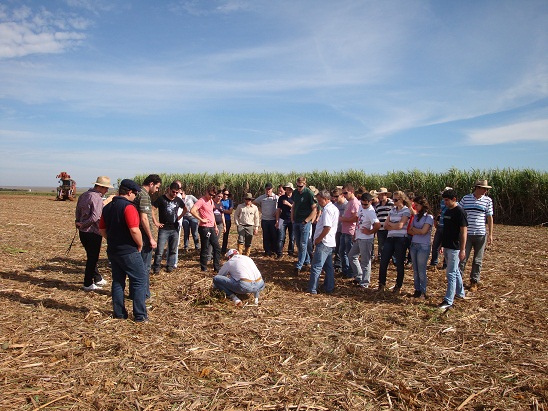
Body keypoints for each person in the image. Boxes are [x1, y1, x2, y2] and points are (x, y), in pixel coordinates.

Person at [98, 179, 148, 322]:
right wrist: (139, 244)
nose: (136, 196)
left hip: (113, 250)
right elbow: (134, 230)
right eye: (135, 193)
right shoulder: (129, 207)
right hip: (128, 251)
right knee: (139, 280)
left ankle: (119, 313)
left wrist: (112, 240)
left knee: (118, 281)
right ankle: (140, 315)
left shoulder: (107, 207)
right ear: (129, 192)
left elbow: (101, 229)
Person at [75, 176, 113, 291]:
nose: (107, 190)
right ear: (100, 187)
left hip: (83, 232)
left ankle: (97, 278)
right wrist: (84, 224)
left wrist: (78, 222)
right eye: (106, 188)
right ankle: (87, 283)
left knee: (91, 256)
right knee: (92, 258)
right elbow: (96, 217)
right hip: (92, 232)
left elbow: (77, 211)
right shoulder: (96, 197)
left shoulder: (84, 195)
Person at [459, 179, 494, 292]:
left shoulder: (487, 201)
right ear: (477, 188)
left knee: (478, 260)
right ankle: (458, 280)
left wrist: (490, 234)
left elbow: (489, 218)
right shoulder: (466, 198)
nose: (485, 191)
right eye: (484, 188)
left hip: (480, 234)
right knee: (463, 258)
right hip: (467, 234)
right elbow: (459, 212)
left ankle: (474, 281)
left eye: (486, 189)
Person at [438, 189, 468, 311]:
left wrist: (462, 249)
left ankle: (448, 300)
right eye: (444, 200)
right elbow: (445, 230)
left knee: (450, 273)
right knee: (455, 271)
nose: (445, 202)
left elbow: (463, 231)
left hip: (455, 248)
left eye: (447, 200)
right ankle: (460, 293)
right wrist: (442, 244)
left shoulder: (460, 212)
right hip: (447, 245)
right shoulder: (447, 211)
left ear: (454, 199)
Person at [377, 191, 412, 294]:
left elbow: (400, 226)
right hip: (390, 237)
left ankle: (398, 285)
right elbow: (385, 225)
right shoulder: (392, 210)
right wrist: (394, 225)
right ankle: (381, 284)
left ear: (401, 200)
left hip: (401, 239)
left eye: (396, 200)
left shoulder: (406, 211)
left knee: (399, 263)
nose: (394, 202)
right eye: (393, 199)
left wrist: (392, 225)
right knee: (384, 261)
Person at [133, 174, 162, 297]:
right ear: (151, 184)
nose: (157, 190)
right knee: (145, 266)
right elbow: (144, 218)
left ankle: (136, 292)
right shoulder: (144, 195)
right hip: (144, 236)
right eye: (157, 187)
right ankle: (143, 293)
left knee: (137, 266)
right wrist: (151, 237)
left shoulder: (137, 193)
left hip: (139, 234)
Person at [307, 190, 340, 294]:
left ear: (326, 199)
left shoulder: (327, 210)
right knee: (328, 267)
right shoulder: (334, 208)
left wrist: (318, 239)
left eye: (320, 200)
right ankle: (329, 287)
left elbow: (327, 227)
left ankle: (312, 289)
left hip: (324, 242)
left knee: (316, 266)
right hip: (330, 242)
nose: (319, 202)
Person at [151, 182, 186, 273]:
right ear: (169, 189)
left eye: (176, 192)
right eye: (173, 192)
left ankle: (169, 266)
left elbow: (185, 209)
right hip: (164, 229)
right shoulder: (161, 199)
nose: (174, 194)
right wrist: (156, 222)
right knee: (160, 250)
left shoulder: (178, 200)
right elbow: (152, 209)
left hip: (174, 228)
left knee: (173, 249)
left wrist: (180, 217)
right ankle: (156, 267)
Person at [348, 192, 380, 288]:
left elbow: (377, 225)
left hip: (366, 239)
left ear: (370, 202)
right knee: (351, 256)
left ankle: (365, 282)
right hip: (359, 237)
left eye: (366, 204)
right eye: (362, 203)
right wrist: (355, 233)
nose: (364, 205)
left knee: (365, 261)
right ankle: (359, 276)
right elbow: (358, 220)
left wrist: (370, 232)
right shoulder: (361, 208)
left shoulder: (371, 211)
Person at [407, 196, 434, 299]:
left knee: (421, 270)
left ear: (422, 205)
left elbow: (424, 231)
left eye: (417, 205)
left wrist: (416, 230)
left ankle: (423, 291)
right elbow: (409, 230)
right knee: (415, 270)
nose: (415, 207)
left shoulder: (429, 217)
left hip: (423, 246)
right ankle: (417, 289)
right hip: (414, 244)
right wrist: (418, 230)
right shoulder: (417, 216)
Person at [191, 185, 222, 272]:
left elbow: (212, 214)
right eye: (210, 194)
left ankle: (216, 267)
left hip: (211, 227)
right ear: (206, 192)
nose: (211, 196)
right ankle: (203, 267)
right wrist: (201, 219)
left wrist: (215, 226)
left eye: (213, 195)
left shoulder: (211, 201)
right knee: (205, 248)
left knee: (217, 248)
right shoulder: (201, 201)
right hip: (204, 228)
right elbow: (192, 210)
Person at [291, 176, 317, 275]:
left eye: (300, 186)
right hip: (296, 221)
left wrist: (307, 220)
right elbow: (294, 205)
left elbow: (314, 209)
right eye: (297, 186)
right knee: (298, 243)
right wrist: (292, 218)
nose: (299, 188)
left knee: (303, 244)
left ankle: (299, 265)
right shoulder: (295, 193)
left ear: (304, 185)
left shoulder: (309, 194)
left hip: (304, 222)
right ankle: (306, 261)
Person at [339, 185, 360, 278]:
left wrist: (343, 219)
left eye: (345, 193)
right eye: (343, 193)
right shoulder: (349, 202)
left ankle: (351, 273)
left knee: (349, 253)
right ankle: (346, 270)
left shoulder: (355, 203)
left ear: (351, 191)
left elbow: (356, 218)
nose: (344, 195)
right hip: (345, 230)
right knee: (342, 252)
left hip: (350, 231)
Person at [254, 183, 279, 257]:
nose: (268, 190)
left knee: (274, 236)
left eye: (269, 189)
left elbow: (280, 206)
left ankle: (274, 250)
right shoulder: (262, 197)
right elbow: (254, 203)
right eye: (267, 189)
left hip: (273, 220)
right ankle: (267, 251)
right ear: (265, 189)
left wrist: (277, 212)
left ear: (272, 189)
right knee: (266, 236)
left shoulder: (276, 197)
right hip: (264, 220)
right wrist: (259, 209)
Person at [430, 187, 452, 268]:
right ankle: (434, 263)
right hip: (441, 226)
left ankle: (445, 264)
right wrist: (436, 220)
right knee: (435, 245)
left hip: (448, 227)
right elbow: (440, 211)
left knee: (446, 246)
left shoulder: (455, 204)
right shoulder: (442, 202)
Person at [374, 188, 394, 261]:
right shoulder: (378, 205)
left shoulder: (392, 204)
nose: (381, 196)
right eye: (380, 195)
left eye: (383, 194)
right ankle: (383, 259)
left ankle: (393, 259)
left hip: (389, 228)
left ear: (386, 195)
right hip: (380, 229)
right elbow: (376, 216)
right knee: (381, 245)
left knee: (391, 244)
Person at [275, 182, 295, 258]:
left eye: (289, 189)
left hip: (292, 219)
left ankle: (291, 253)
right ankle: (279, 253)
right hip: (283, 219)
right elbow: (278, 209)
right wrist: (277, 221)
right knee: (281, 237)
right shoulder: (281, 198)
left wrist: (288, 204)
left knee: (292, 238)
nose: (288, 190)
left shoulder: (295, 198)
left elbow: (296, 209)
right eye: (286, 189)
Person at [331, 187, 347, 272]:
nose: (335, 198)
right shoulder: (334, 205)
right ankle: (338, 266)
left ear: (342, 195)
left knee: (343, 250)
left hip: (345, 230)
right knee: (337, 249)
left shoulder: (347, 205)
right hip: (337, 230)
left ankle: (345, 268)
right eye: (334, 196)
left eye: (336, 196)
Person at [220, 189, 234, 254]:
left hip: (227, 220)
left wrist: (222, 210)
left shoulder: (230, 201)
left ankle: (223, 250)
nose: (226, 195)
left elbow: (230, 212)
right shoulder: (219, 200)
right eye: (225, 194)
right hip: (219, 220)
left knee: (225, 236)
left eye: (227, 194)